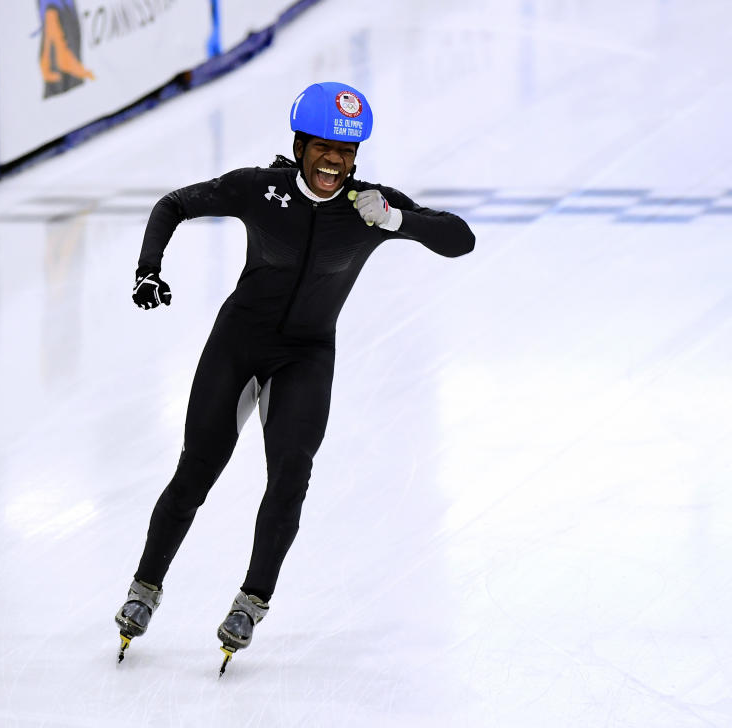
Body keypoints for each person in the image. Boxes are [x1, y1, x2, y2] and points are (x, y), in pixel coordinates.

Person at [114, 82, 475, 668]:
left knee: (290, 477)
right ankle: (144, 590)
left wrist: (395, 219)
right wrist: (147, 269)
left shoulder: (370, 206)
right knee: (195, 474)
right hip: (237, 347)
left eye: (349, 149)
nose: (336, 160)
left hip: (306, 355)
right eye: (325, 146)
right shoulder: (260, 189)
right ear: (301, 143)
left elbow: (462, 240)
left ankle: (251, 602)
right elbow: (173, 205)